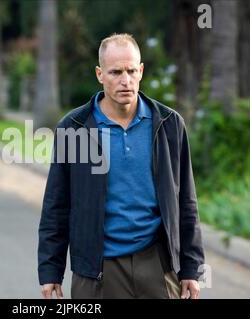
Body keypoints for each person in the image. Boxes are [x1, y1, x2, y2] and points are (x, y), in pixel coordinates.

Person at [38, 33, 205, 299]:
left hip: (158, 266)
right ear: (99, 74)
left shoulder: (169, 125)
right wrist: (50, 271)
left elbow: (187, 202)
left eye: (130, 71)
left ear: (141, 71)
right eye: (115, 72)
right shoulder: (74, 128)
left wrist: (191, 269)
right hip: (97, 270)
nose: (125, 81)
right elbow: (56, 206)